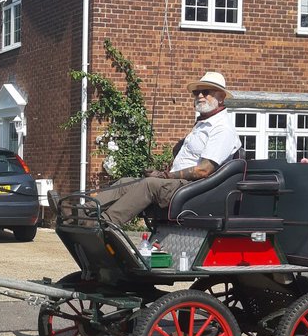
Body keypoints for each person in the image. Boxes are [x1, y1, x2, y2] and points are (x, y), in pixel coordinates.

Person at [92, 71, 241, 228]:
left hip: (196, 189)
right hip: (181, 183)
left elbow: (204, 170)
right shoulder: (202, 124)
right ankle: (83, 211)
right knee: (126, 182)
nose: (200, 96)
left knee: (149, 185)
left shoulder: (222, 129)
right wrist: (165, 171)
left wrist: (164, 175)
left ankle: (104, 223)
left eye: (206, 92)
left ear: (221, 97)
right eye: (197, 92)